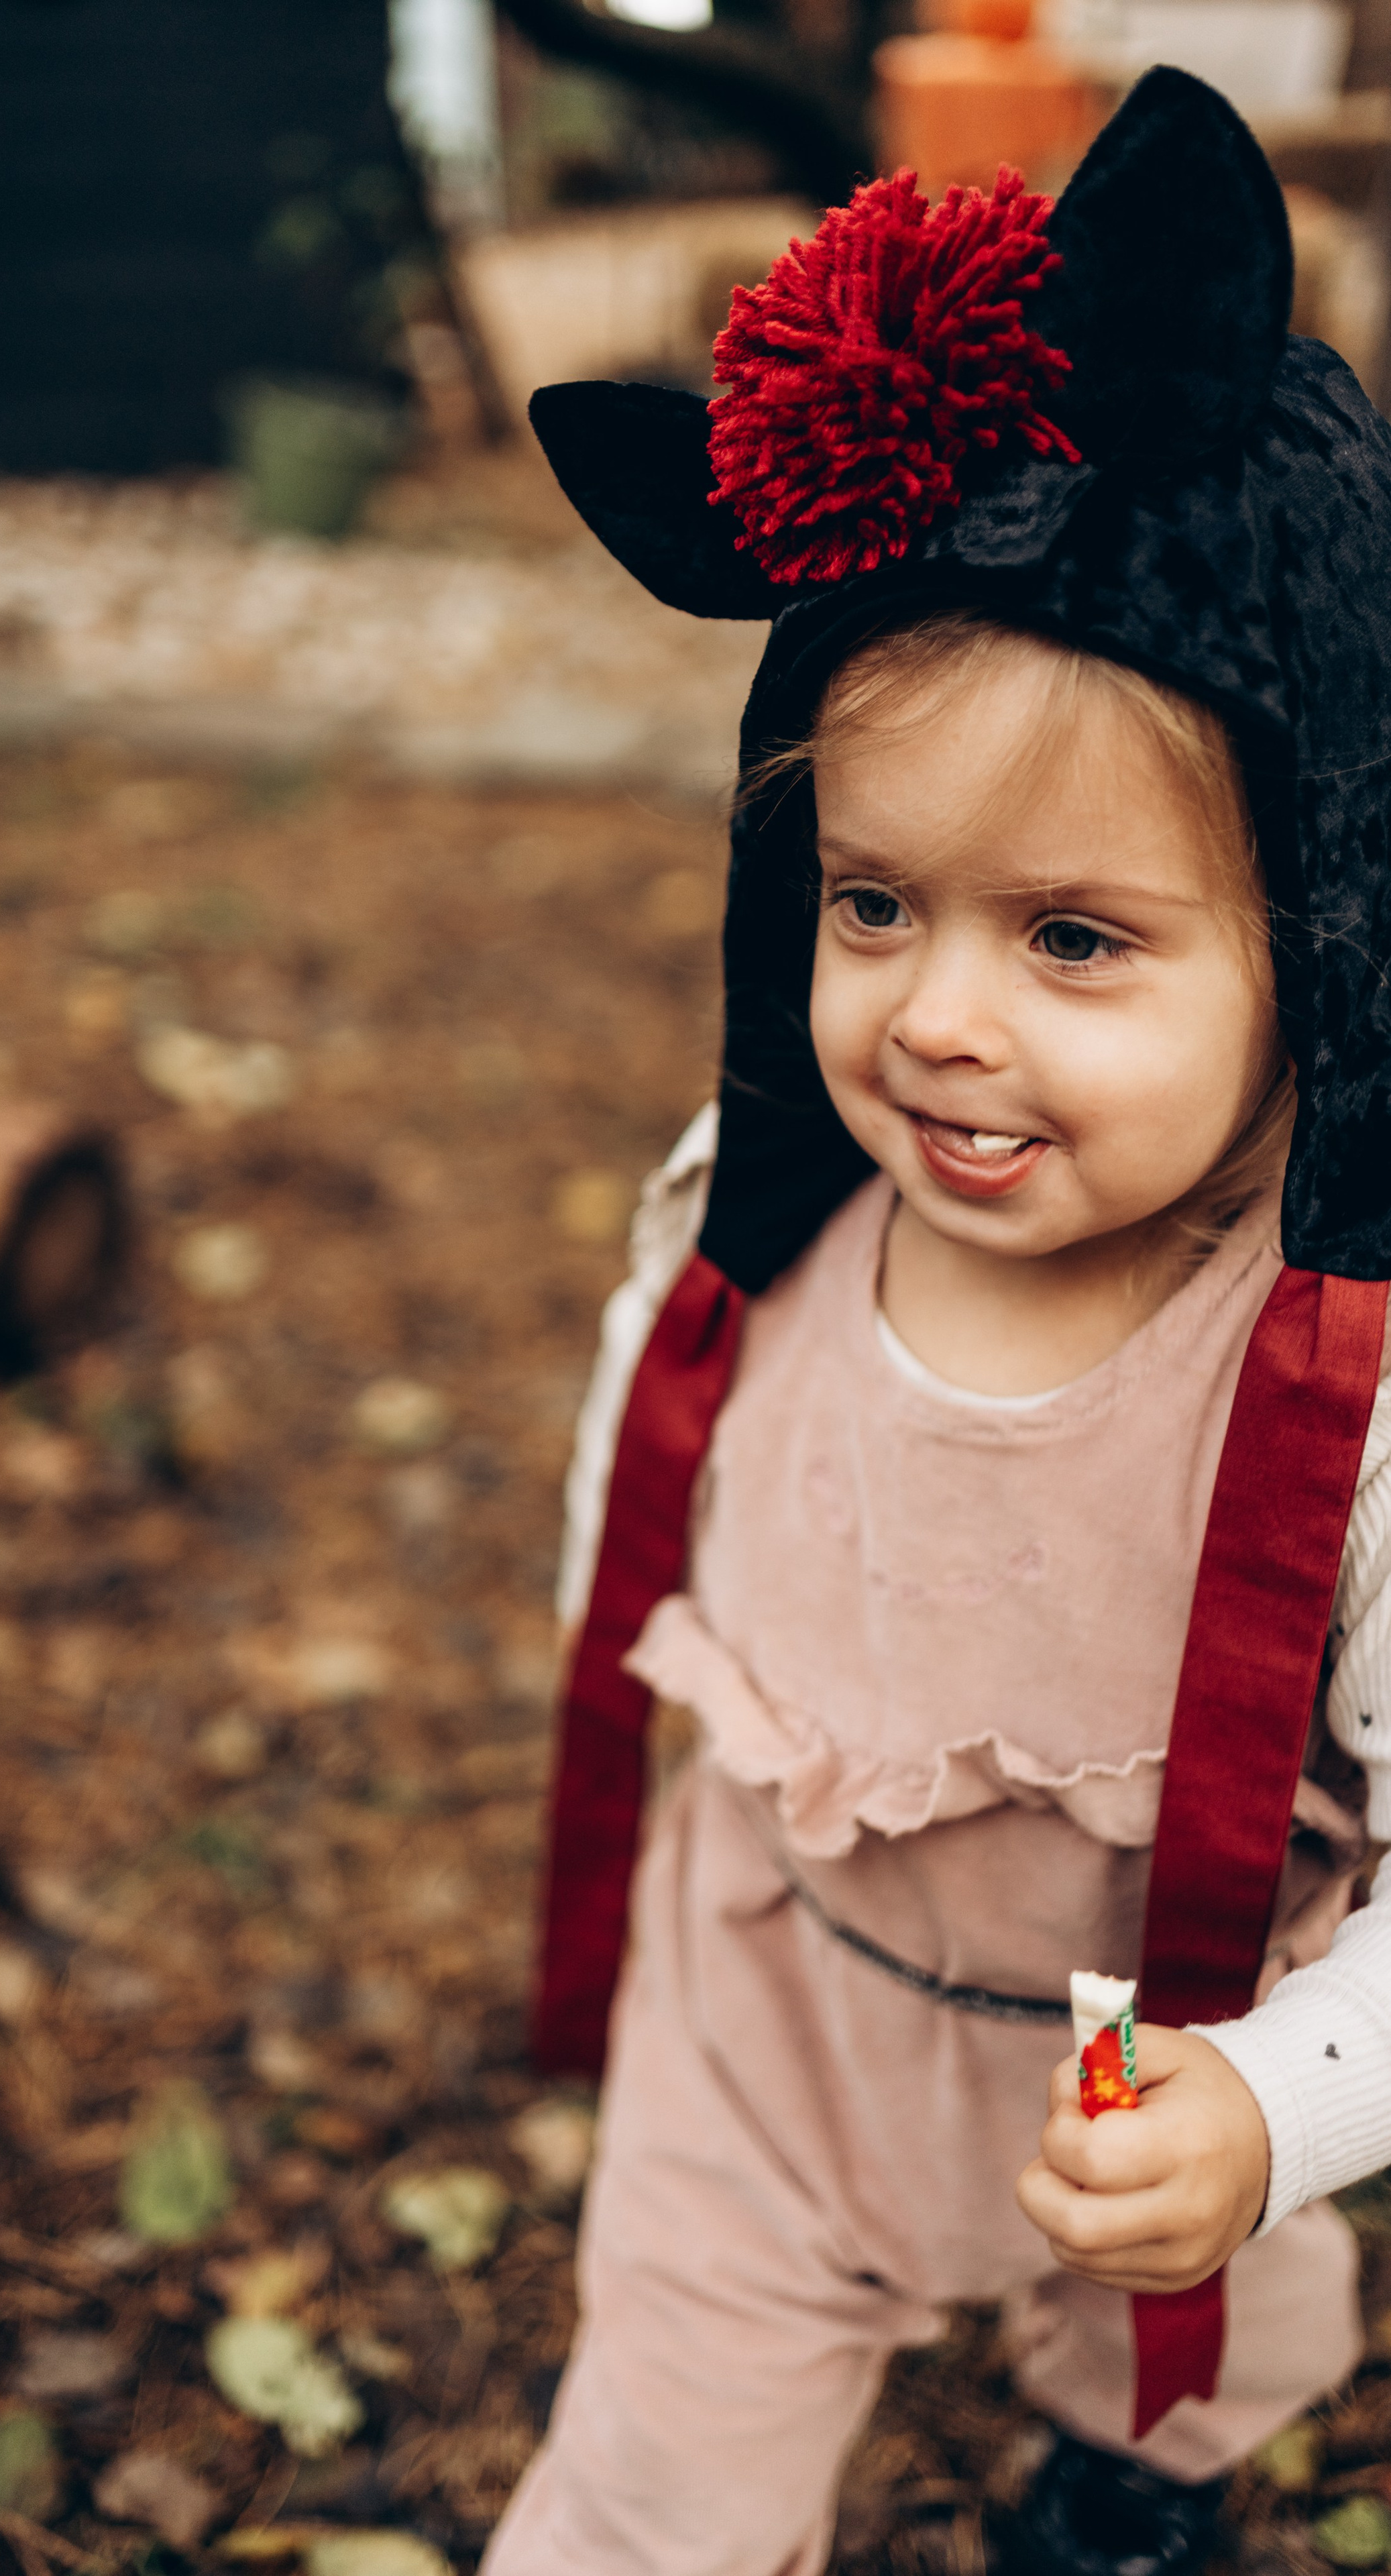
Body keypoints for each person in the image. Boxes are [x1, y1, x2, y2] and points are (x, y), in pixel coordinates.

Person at [482, 68, 1391, 2576]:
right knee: (649, 2489)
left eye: (1075, 939)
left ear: (1319, 936)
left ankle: (1123, 2494)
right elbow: (639, 1500)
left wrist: (1276, 2118)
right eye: (874, 903)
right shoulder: (750, 1214)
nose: (938, 1021)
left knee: (1178, 2361)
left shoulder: (1335, 1392)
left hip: (1151, 2064)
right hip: (773, 2022)